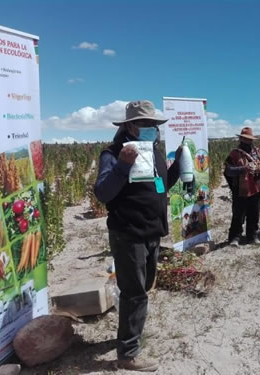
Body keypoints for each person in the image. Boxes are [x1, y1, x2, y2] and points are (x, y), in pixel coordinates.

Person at [94, 100, 181, 372]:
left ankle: (128, 335)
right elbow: (103, 193)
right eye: (148, 124)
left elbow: (161, 185)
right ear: (131, 126)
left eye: (155, 125)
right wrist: (122, 165)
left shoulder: (153, 151)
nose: (154, 129)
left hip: (151, 230)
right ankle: (128, 355)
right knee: (134, 293)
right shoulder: (113, 154)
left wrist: (178, 164)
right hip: (128, 232)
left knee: (144, 287)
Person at [224, 127, 260, 247]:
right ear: (240, 139)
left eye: (249, 139)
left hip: (256, 188)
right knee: (238, 214)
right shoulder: (234, 154)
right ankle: (234, 237)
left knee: (254, 213)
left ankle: (252, 236)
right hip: (240, 190)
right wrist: (243, 169)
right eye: (245, 139)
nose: (247, 141)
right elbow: (228, 170)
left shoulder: (258, 152)